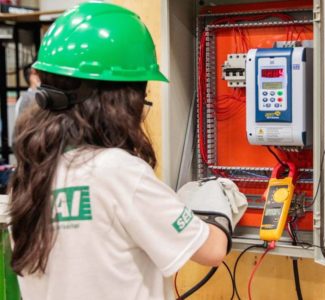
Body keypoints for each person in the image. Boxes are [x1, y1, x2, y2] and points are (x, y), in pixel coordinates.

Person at [8, 2, 246, 300]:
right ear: (118, 102)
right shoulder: (116, 171)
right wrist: (218, 205)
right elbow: (211, 250)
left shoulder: (31, 176)